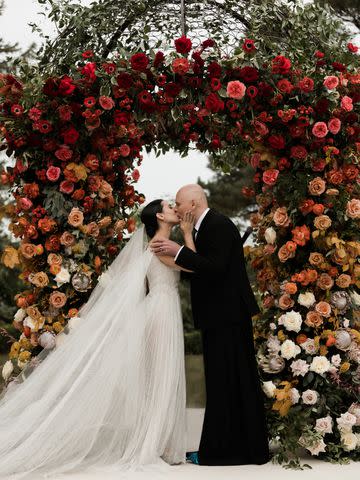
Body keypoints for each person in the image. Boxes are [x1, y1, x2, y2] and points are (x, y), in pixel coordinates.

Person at [0, 199, 194, 479]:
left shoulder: (161, 243)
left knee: (162, 374)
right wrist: (187, 233)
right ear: (160, 216)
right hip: (162, 311)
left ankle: (160, 443)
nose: (176, 209)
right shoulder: (159, 245)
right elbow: (194, 264)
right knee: (161, 374)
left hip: (164, 308)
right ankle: (152, 444)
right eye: (170, 206)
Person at [150, 184, 271, 466]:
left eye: (178, 203)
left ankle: (225, 452)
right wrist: (187, 240)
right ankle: (234, 448)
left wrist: (178, 250)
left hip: (226, 315)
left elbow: (214, 268)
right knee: (224, 382)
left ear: (192, 204)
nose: (176, 208)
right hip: (220, 315)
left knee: (230, 380)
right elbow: (201, 269)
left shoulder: (218, 224)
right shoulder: (205, 227)